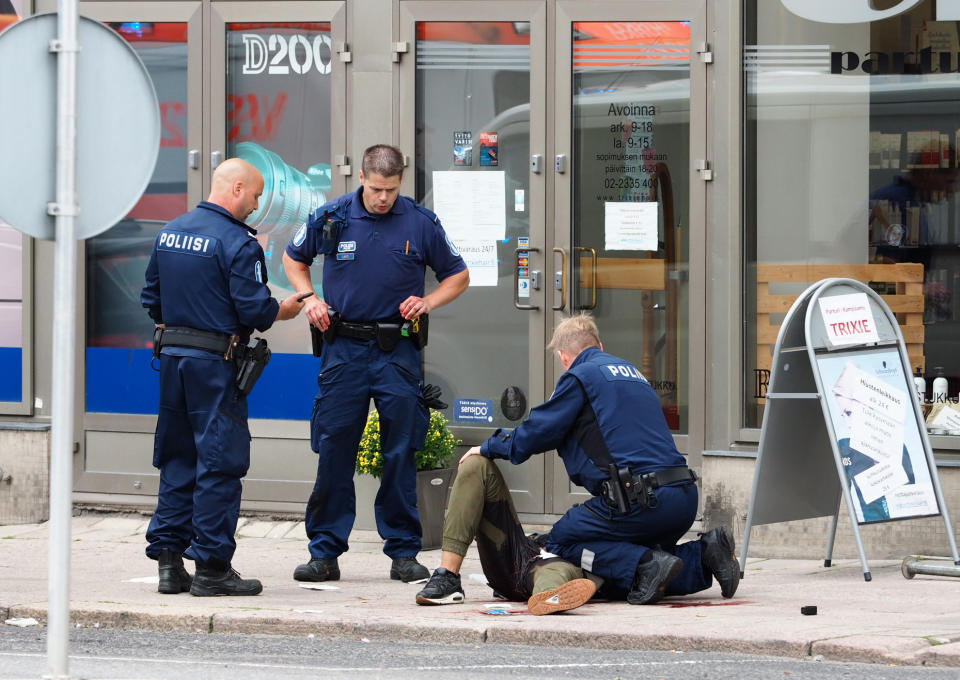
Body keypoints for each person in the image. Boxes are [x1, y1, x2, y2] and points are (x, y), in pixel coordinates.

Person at [417, 313, 740, 606]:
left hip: (642, 501)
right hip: (682, 498)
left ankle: (642, 565)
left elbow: (537, 431)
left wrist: (488, 447)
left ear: (563, 357)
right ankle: (704, 553)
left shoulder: (580, 377)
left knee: (565, 540)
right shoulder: (632, 375)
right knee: (638, 556)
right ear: (600, 345)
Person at [283, 144, 470, 584]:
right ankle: (324, 553)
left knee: (401, 450)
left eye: (391, 189)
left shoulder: (420, 223)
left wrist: (427, 301)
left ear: (400, 181)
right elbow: (294, 259)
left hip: (397, 350)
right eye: (376, 188)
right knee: (334, 448)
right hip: (343, 348)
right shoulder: (331, 216)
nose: (383, 198)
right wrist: (310, 299)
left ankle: (403, 552)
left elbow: (458, 276)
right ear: (362, 178)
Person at [141, 158, 307, 597]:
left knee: (178, 458)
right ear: (236, 188)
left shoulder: (170, 231)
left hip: (173, 362)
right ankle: (212, 568)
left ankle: (169, 563)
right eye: (254, 195)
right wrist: (283, 309)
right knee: (219, 461)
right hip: (215, 367)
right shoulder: (238, 243)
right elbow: (255, 310)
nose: (256, 206)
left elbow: (151, 298)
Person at [415, 453, 598, 615]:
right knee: (476, 464)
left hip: (560, 566)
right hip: (522, 550)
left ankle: (549, 597)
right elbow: (537, 431)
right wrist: (491, 447)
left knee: (555, 573)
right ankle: (447, 576)